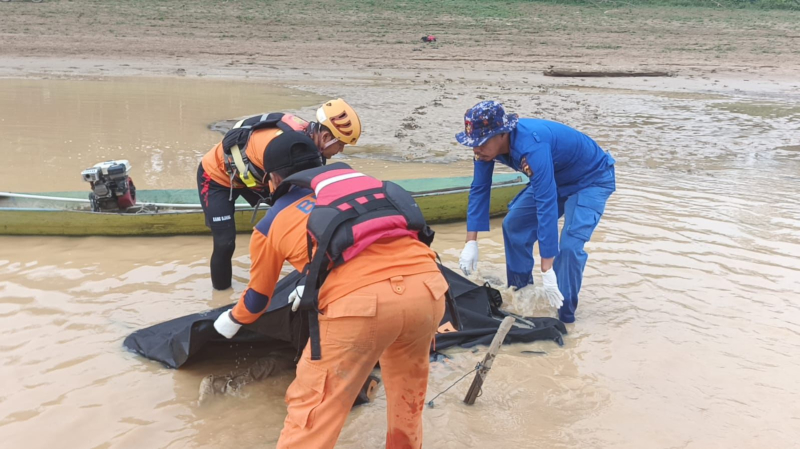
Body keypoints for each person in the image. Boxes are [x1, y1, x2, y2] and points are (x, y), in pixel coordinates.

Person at [212, 132, 447, 449]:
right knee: (408, 399)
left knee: (313, 412)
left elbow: (257, 300)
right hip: (429, 291)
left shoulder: (271, 223)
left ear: (273, 179)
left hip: (359, 306)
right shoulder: (366, 184)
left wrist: (233, 317)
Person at [455, 101, 616, 323]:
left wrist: (546, 266)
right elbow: (480, 188)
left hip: (590, 179)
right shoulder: (484, 151)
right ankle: (521, 296)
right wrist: (470, 241)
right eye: (472, 143)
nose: (476, 149)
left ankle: (565, 316)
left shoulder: (531, 146)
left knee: (569, 246)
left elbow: (546, 204)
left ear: (503, 134)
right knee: (514, 226)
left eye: (481, 142)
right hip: (553, 178)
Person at [197, 98, 361, 290]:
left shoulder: (312, 147)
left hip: (255, 177)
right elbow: (285, 206)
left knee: (302, 217)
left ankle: (314, 274)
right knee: (225, 243)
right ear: (325, 138)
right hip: (217, 177)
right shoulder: (282, 148)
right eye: (341, 145)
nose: (340, 151)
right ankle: (221, 296)